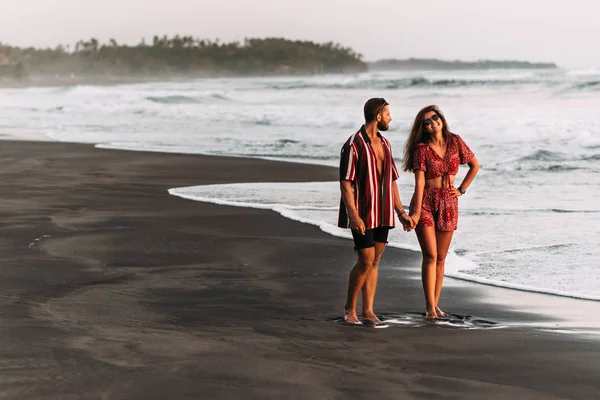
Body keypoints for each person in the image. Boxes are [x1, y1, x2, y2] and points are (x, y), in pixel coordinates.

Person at [338, 97, 413, 324]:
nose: (391, 118)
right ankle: (350, 309)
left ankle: (367, 310)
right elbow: (346, 183)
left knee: (375, 260)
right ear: (378, 115)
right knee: (365, 259)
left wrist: (401, 213)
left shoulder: (386, 144)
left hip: (383, 211)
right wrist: (353, 215)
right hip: (363, 211)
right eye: (388, 114)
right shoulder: (353, 144)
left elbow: (391, 180)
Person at [402, 105, 480, 319]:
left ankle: (436, 305)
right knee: (430, 255)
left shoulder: (455, 141)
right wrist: (415, 213)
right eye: (427, 121)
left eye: (435, 117)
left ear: (442, 119)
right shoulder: (421, 149)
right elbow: (419, 183)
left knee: (441, 257)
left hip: (449, 201)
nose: (432, 122)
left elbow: (474, 165)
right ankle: (429, 309)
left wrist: (462, 189)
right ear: (424, 128)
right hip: (426, 200)